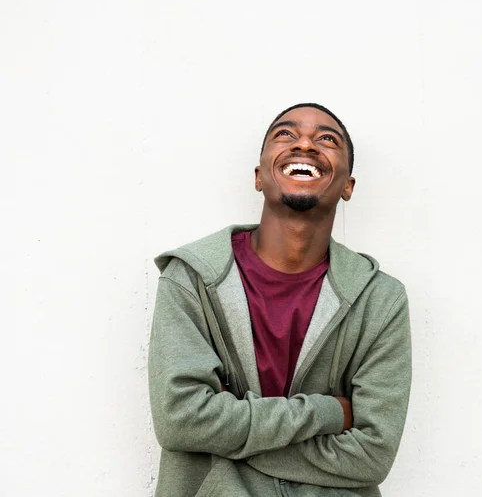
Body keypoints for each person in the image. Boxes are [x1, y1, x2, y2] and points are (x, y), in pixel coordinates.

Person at [148, 103, 412, 497]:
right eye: (286, 134)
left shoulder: (381, 300)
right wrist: (329, 412)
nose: (305, 143)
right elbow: (180, 421)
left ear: (347, 186)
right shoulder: (191, 278)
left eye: (327, 139)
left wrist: (227, 431)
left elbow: (372, 454)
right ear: (259, 176)